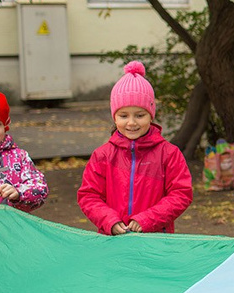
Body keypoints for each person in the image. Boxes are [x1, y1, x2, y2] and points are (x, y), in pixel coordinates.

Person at [79, 62, 193, 235]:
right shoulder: (102, 155)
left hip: (156, 241)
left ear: (151, 115)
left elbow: (181, 193)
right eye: (123, 115)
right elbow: (89, 195)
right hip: (113, 241)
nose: (131, 122)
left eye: (140, 115)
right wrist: (108, 220)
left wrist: (149, 219)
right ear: (114, 117)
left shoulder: (169, 154)